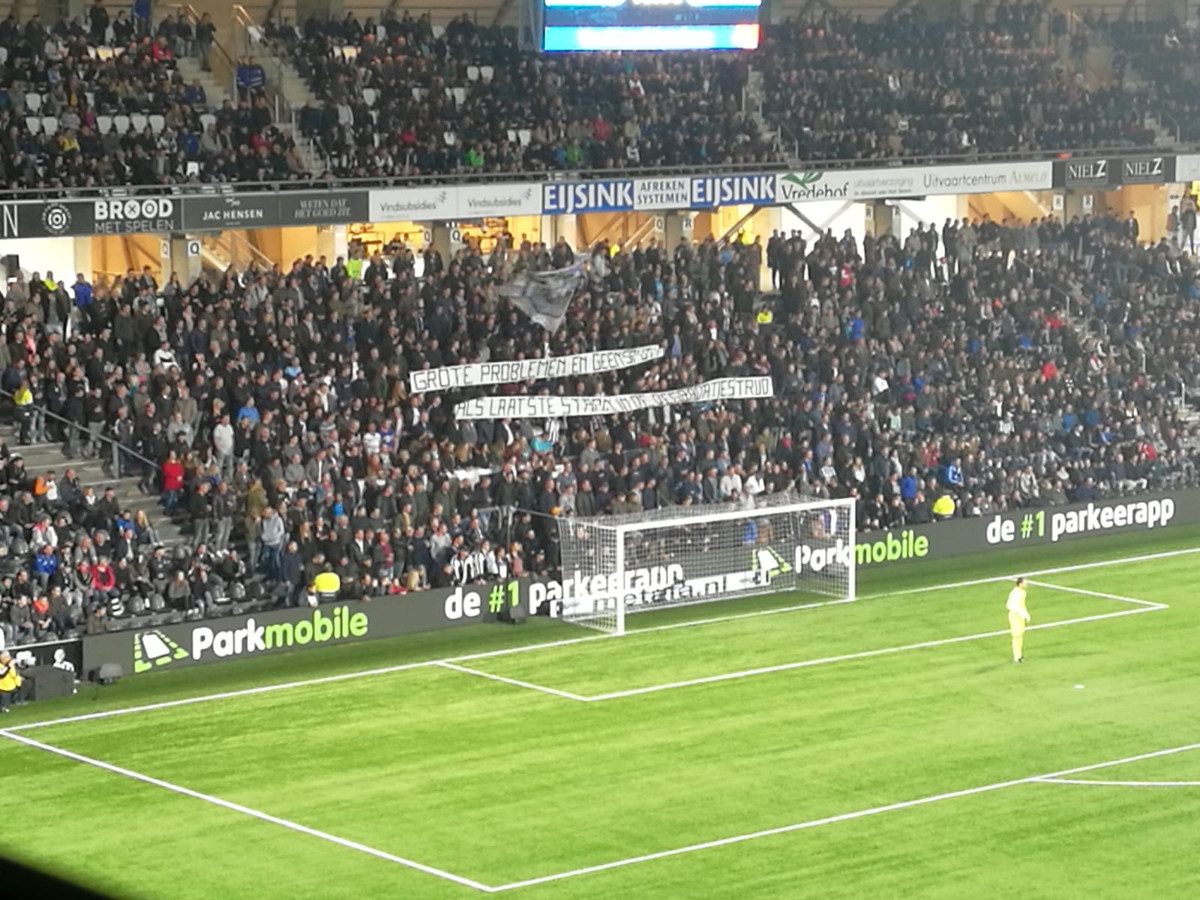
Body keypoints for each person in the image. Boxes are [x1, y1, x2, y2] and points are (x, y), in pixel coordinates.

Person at [1007, 577, 1030, 663]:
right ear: (1020, 584)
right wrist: (1021, 613)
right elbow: (1010, 605)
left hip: (1020, 616)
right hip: (1014, 616)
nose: (1026, 584)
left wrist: (1026, 614)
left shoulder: (1023, 593)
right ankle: (1016, 657)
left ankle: (1019, 655)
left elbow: (1022, 605)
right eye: (1025, 583)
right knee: (1016, 636)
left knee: (1020, 635)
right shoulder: (1015, 593)